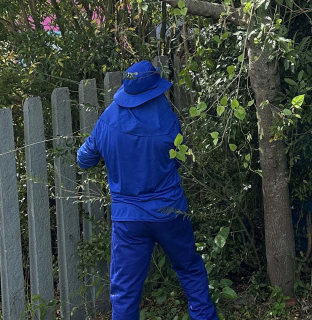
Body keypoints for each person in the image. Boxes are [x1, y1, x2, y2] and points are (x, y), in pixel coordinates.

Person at [77, 60, 218, 320]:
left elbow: (83, 159)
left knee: (124, 292)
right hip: (169, 212)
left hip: (128, 220)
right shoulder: (166, 116)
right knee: (189, 270)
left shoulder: (107, 118)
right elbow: (179, 158)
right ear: (154, 88)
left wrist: (106, 155)